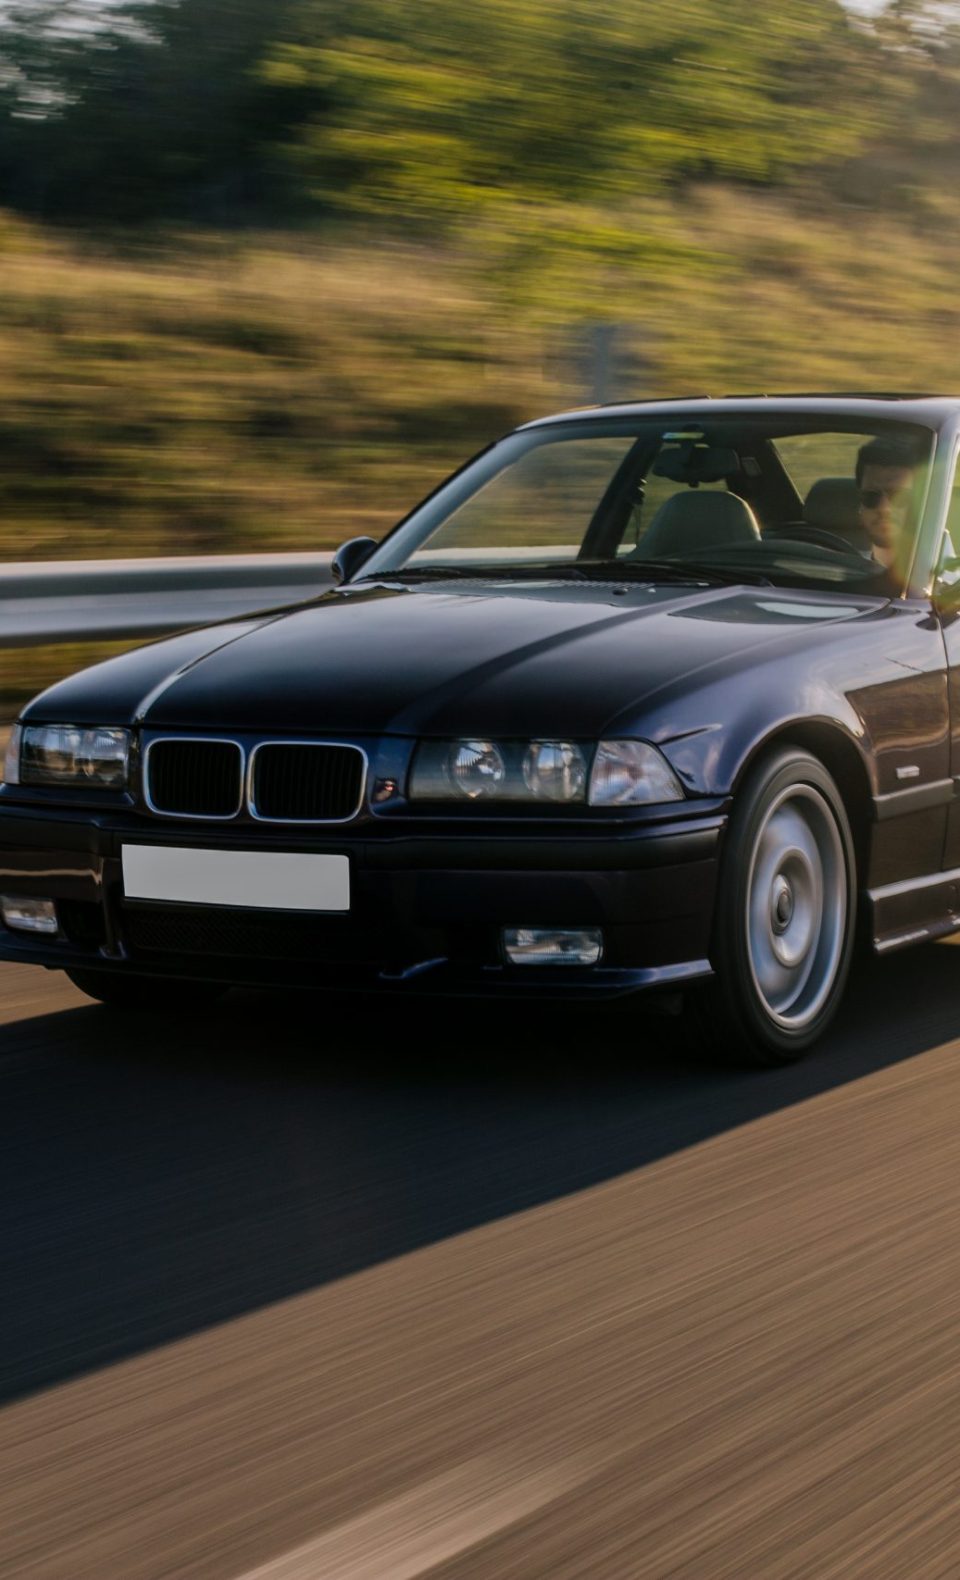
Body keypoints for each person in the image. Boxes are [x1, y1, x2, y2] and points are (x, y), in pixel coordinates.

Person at [855, 436, 922, 578]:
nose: (884, 508)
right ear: (860, 502)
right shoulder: (837, 567)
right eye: (871, 496)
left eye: (899, 496)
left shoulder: (948, 581)